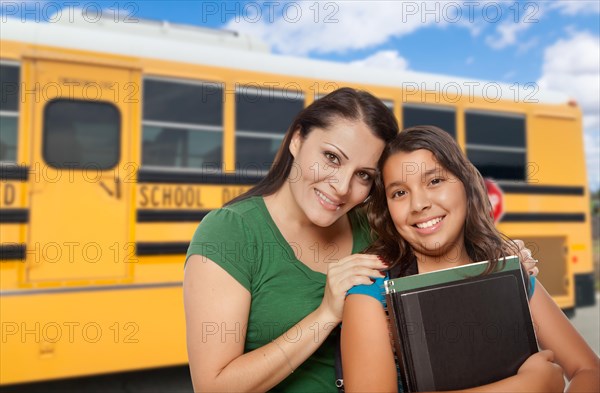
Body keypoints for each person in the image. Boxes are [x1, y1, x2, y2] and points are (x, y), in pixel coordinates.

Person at [184, 88, 540, 393]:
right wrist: (326, 315)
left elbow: (446, 287)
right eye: (331, 158)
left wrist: (500, 266)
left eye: (363, 176)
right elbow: (214, 385)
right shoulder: (231, 232)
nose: (341, 187)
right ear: (296, 140)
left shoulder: (375, 229)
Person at [341, 125, 600, 392]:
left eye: (434, 181)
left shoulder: (509, 273)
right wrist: (526, 386)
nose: (418, 204)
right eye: (399, 193)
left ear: (466, 185)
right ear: (387, 209)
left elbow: (589, 370)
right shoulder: (370, 293)